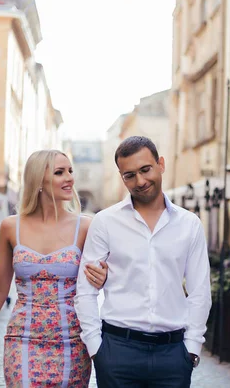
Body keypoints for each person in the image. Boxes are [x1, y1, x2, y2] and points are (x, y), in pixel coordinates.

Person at [0, 150, 109, 387]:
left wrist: (103, 276)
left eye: (70, 171)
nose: (70, 178)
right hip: (22, 340)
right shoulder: (11, 227)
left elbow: (101, 279)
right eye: (60, 172)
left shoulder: (85, 226)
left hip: (71, 340)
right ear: (38, 180)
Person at [75, 136, 212, 388]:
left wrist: (191, 348)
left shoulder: (189, 224)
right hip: (117, 351)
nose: (140, 181)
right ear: (122, 177)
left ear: (160, 164)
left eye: (145, 169)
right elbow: (85, 291)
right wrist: (96, 349)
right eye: (129, 175)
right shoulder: (105, 222)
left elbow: (200, 291)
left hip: (173, 354)